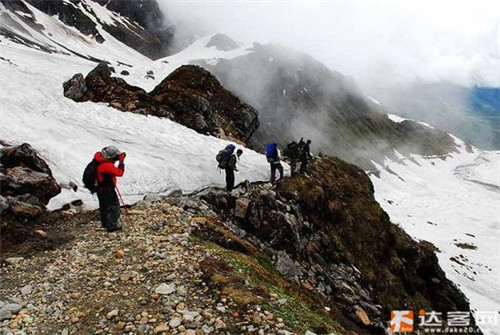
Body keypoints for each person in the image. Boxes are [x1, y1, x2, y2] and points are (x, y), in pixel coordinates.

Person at [94, 145, 126, 232]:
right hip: (107, 188)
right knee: (114, 206)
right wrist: (121, 162)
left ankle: (105, 223)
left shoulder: (99, 159)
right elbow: (120, 173)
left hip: (99, 188)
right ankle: (112, 226)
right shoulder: (107, 166)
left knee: (103, 205)